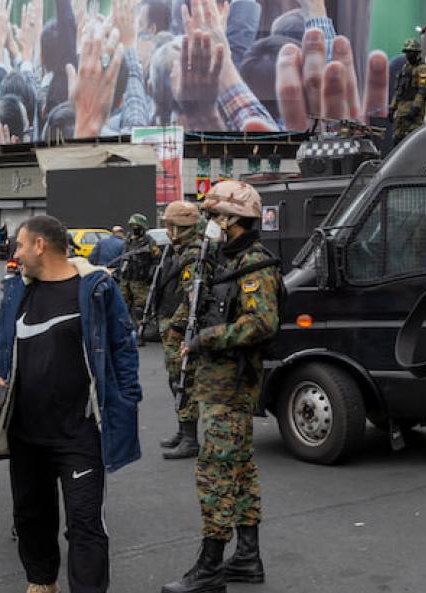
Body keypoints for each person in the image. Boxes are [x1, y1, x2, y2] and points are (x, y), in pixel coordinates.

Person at [0, 215, 143, 593]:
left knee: (85, 523)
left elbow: (123, 349)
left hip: (80, 434)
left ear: (40, 245)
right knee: (31, 516)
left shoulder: (96, 288)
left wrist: (128, 402)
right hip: (25, 432)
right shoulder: (17, 291)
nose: (15, 253)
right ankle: (42, 580)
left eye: (19, 245)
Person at [163, 181, 279, 593]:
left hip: (230, 387)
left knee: (215, 475)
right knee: (241, 471)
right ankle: (247, 557)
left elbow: (263, 324)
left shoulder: (254, 265)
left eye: (214, 217)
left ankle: (210, 567)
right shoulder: (225, 261)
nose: (210, 224)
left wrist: (207, 339)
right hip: (216, 384)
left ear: (233, 220)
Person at [156, 201, 204, 460]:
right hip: (172, 325)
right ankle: (183, 430)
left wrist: (176, 326)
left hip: (182, 329)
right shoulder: (179, 251)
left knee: (182, 381)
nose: (166, 229)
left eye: (169, 225)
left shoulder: (193, 255)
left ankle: (189, 438)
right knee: (175, 381)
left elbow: (192, 298)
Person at [118, 213, 157, 326]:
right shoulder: (129, 240)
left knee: (140, 309)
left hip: (141, 281)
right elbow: (123, 256)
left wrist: (151, 272)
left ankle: (141, 332)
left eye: (137, 226)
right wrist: (120, 270)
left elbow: (156, 260)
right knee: (122, 305)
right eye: (132, 226)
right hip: (126, 278)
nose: (134, 229)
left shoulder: (149, 241)